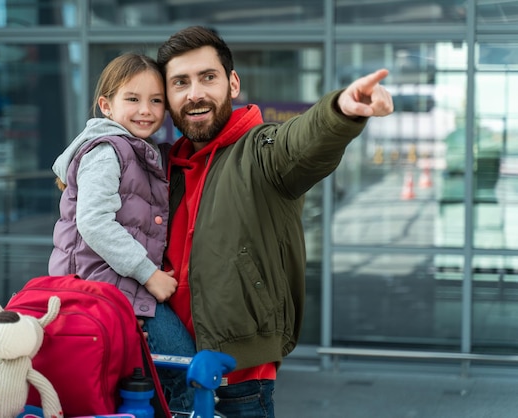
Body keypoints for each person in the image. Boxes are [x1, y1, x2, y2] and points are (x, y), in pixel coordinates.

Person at [149, 26, 394, 417]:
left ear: (232, 83)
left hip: (238, 384)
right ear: (168, 97)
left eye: (207, 77)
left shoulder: (262, 151)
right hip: (163, 374)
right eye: (181, 82)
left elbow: (302, 142)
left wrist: (341, 111)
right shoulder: (160, 167)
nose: (194, 93)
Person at [48, 53, 178, 319]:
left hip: (117, 286)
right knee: (181, 356)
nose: (146, 110)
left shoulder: (141, 150)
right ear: (106, 106)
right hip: (98, 293)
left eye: (156, 100)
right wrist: (149, 274)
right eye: (133, 99)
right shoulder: (107, 151)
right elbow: (94, 222)